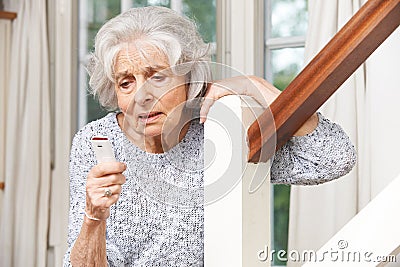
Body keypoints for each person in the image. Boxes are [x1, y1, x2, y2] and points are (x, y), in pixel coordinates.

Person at [63, 6, 356, 266]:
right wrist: (94, 217)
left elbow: (333, 158)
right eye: (126, 83)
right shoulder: (95, 140)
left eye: (158, 78)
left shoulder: (221, 130)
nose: (142, 96)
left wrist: (257, 86)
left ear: (189, 77)